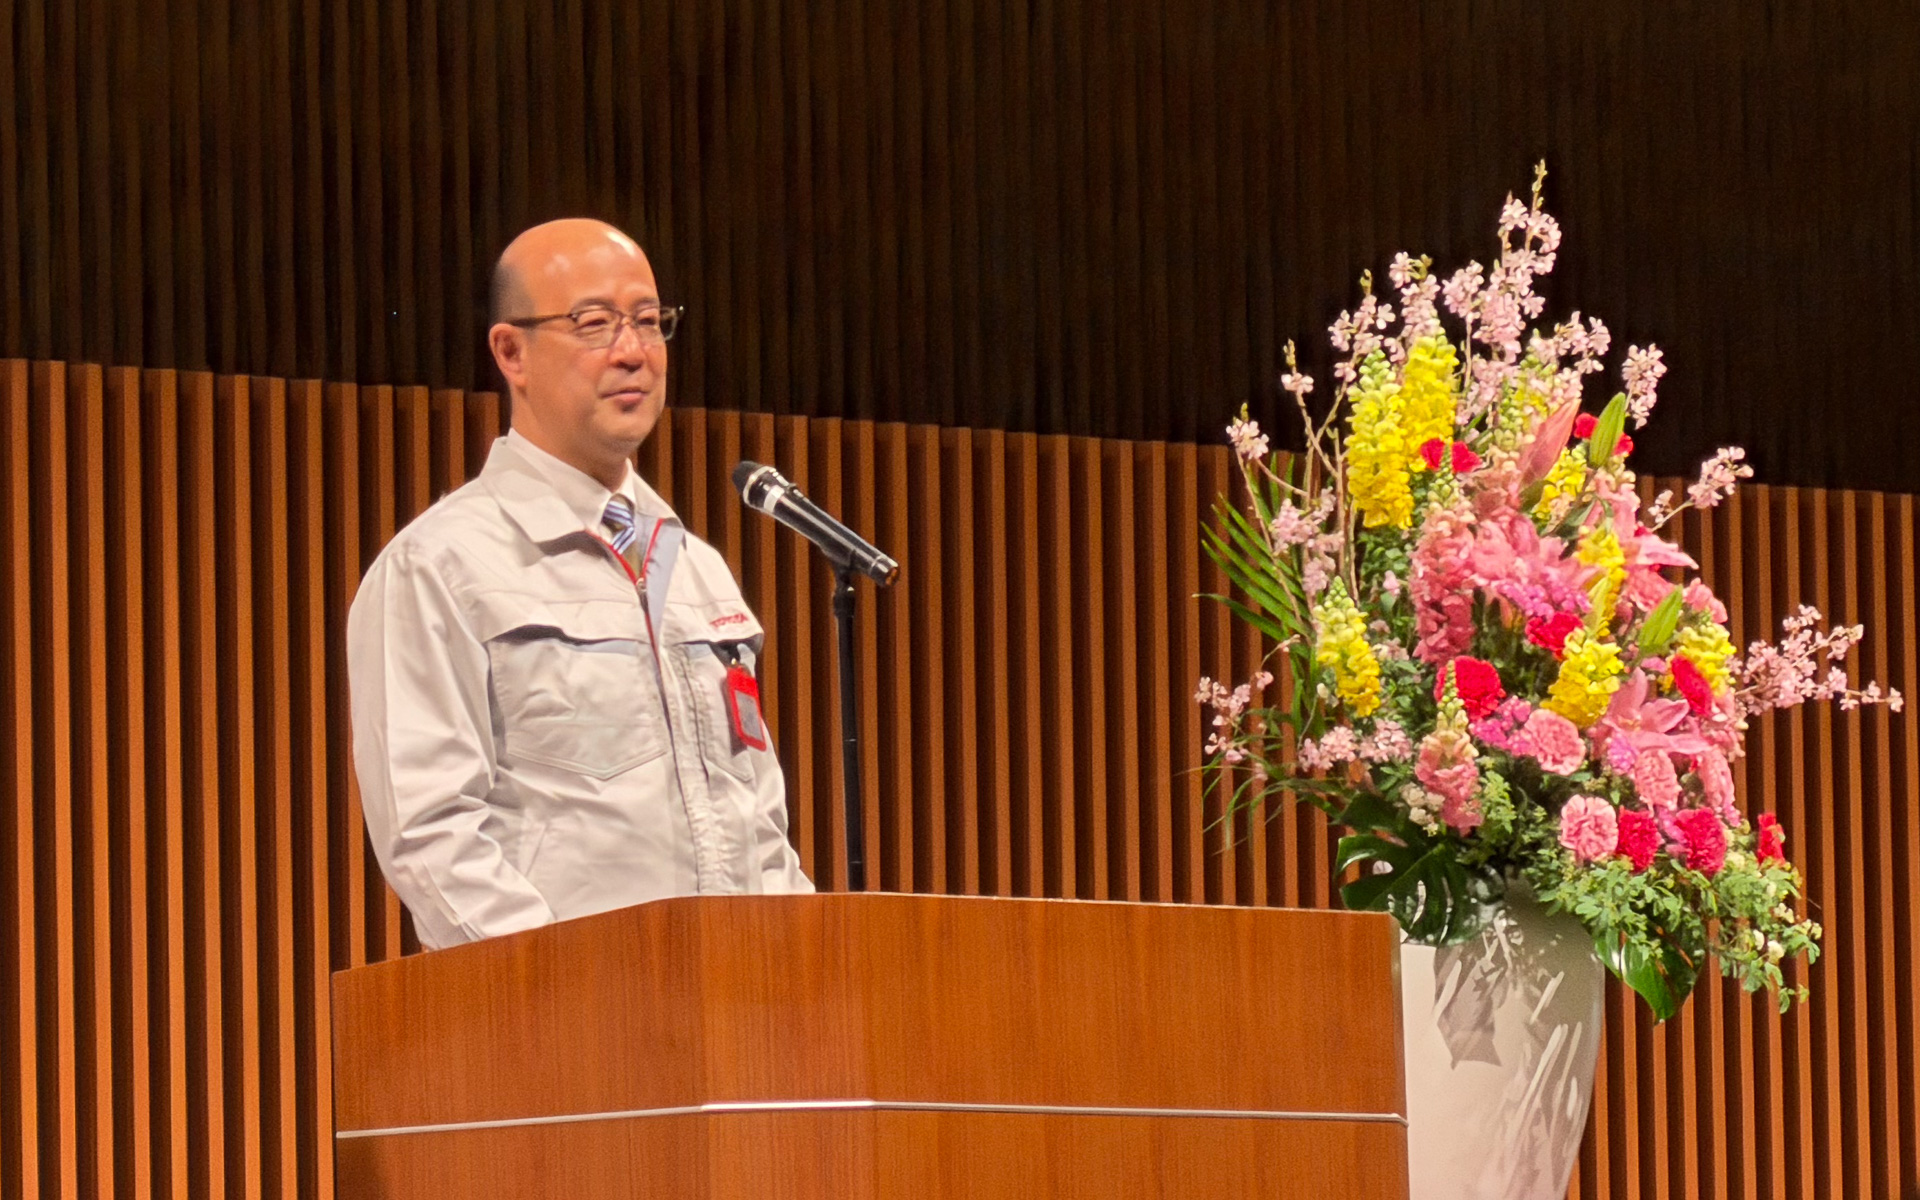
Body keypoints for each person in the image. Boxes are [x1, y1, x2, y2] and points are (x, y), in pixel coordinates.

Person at [346, 218, 813, 950]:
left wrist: (805, 970)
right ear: (511, 352)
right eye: (594, 324)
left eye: (650, 323)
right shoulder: (440, 567)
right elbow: (431, 835)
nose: (633, 352)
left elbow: (759, 826)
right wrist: (573, 994)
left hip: (735, 1023)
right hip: (565, 1032)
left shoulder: (699, 571)